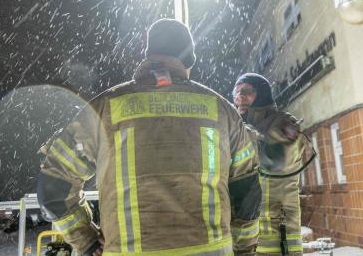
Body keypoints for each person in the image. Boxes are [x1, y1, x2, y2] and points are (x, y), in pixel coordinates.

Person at [37, 19, 262, 256]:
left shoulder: (104, 110)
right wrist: (243, 249)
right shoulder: (223, 113)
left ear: (149, 56)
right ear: (189, 61)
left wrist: (87, 242)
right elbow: (247, 196)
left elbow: (52, 188)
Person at [232, 73, 304, 256]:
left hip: (279, 238)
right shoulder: (239, 126)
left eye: (246, 92)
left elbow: (278, 160)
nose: (240, 96)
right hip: (247, 238)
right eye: (237, 91)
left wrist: (240, 131)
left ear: (261, 94)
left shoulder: (283, 122)